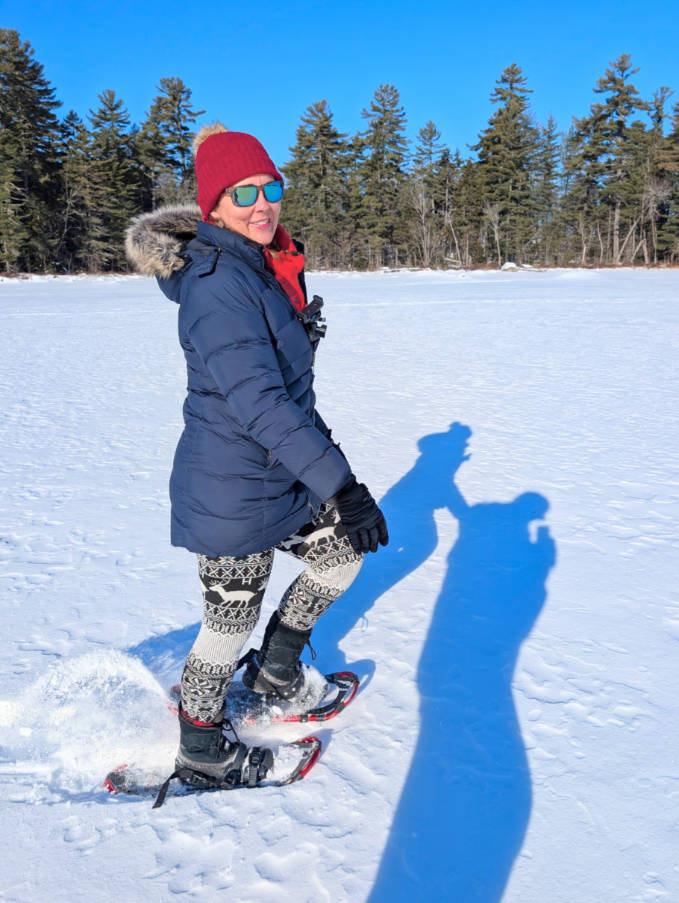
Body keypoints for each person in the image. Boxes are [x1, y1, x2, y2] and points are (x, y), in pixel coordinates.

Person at [126, 124, 388, 790]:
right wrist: (342, 483)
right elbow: (262, 405)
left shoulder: (257, 267)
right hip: (232, 487)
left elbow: (287, 389)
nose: (262, 202)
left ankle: (274, 673)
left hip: (276, 474)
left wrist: (299, 332)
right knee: (227, 621)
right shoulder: (219, 284)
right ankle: (203, 745)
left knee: (339, 555)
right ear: (212, 206)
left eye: (270, 186)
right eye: (242, 191)